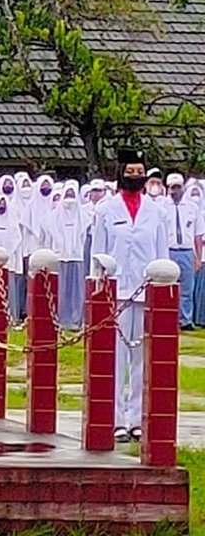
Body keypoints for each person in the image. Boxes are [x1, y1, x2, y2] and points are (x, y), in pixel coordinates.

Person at [91, 149, 169, 443]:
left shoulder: (157, 212)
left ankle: (137, 418)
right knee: (116, 356)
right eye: (130, 172)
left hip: (146, 290)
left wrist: (161, 288)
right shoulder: (105, 210)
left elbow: (162, 254)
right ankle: (115, 419)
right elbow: (97, 254)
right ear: (120, 173)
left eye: (140, 172)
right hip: (116, 292)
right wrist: (97, 290)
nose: (135, 177)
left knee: (141, 359)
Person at [158, 173, 202, 331]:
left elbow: (197, 234)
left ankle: (185, 319)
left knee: (187, 288)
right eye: (172, 188)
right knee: (166, 287)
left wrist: (198, 257)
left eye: (178, 187)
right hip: (168, 250)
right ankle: (167, 319)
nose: (175, 191)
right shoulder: (162, 207)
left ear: (183, 187)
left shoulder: (192, 207)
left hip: (186, 250)